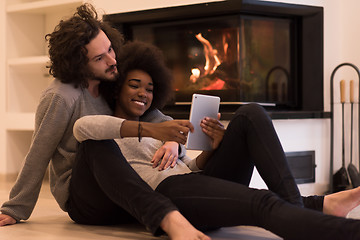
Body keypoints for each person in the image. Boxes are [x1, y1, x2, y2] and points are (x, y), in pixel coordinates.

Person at [73, 40, 360, 240]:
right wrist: (152, 132)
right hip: (169, 194)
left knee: (250, 113)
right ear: (116, 90)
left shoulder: (160, 125)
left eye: (149, 88)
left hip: (193, 185)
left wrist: (215, 147)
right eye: (134, 85)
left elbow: (192, 166)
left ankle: (300, 214)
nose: (142, 93)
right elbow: (83, 128)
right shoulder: (111, 133)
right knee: (261, 203)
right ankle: (329, 226)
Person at [0, 4, 211, 240]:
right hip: (85, 196)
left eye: (110, 49)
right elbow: (38, 153)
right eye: (100, 57)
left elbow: (155, 118)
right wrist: (15, 209)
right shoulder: (61, 97)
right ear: (79, 64)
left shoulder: (109, 80)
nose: (112, 60)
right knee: (94, 140)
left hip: (121, 185)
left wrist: (172, 141)